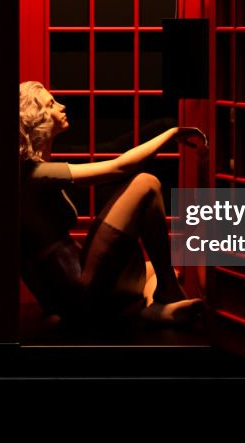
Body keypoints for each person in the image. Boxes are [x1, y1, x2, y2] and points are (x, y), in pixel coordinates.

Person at [19, 80, 206, 327]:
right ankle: (166, 296)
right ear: (37, 117)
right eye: (52, 104)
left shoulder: (30, 173)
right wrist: (172, 133)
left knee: (152, 270)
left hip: (72, 293)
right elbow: (119, 166)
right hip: (80, 289)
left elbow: (23, 255)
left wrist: (51, 306)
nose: (62, 106)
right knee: (146, 183)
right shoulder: (36, 173)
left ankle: (152, 309)